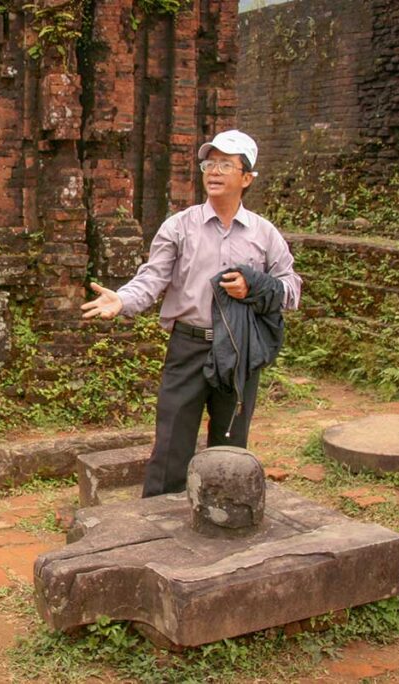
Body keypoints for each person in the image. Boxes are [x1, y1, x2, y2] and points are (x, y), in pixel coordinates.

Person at [80, 130, 301, 496]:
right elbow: (152, 279)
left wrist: (255, 286)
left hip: (238, 349)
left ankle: (223, 519)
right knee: (171, 445)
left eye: (225, 165)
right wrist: (122, 299)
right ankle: (156, 528)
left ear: (246, 178)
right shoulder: (180, 226)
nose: (213, 172)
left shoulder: (264, 234)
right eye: (209, 163)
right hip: (188, 346)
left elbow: (290, 289)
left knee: (230, 447)